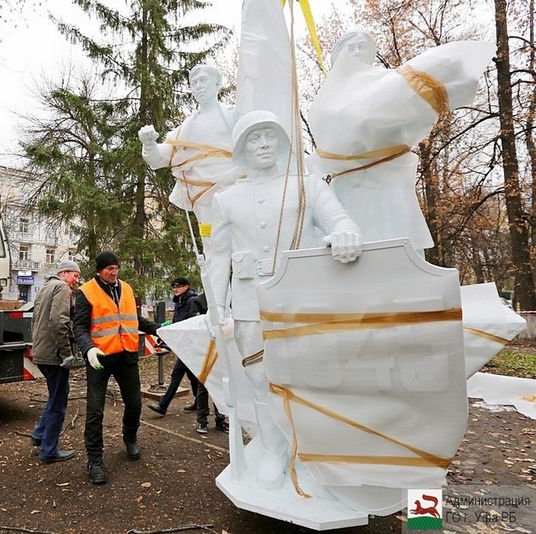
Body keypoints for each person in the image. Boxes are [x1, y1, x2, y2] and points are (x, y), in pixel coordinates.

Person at [208, 110, 362, 488]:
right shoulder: (226, 199)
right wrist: (217, 306)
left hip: (302, 300)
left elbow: (342, 221)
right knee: (261, 379)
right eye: (254, 138)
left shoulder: (309, 186)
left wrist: (344, 234)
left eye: (269, 137)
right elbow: (218, 258)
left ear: (282, 143)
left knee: (308, 379)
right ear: (242, 148)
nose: (263, 145)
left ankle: (313, 450)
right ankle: (275, 448)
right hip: (250, 305)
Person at [308, 32, 494, 253]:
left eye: (362, 47)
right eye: (350, 48)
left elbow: (403, 100)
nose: (357, 52)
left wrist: (447, 66)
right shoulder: (327, 99)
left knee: (401, 250)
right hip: (348, 188)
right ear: (336, 57)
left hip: (389, 181)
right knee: (350, 253)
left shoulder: (390, 83)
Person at [74, 251, 159, 484]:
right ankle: (94, 460)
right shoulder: (86, 292)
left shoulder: (128, 289)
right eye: (109, 268)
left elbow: (134, 319)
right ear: (99, 270)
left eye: (117, 268)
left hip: (127, 355)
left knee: (134, 403)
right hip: (100, 358)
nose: (114, 272)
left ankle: (130, 438)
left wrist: (157, 329)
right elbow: (79, 328)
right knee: (95, 410)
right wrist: (88, 348)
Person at [139, 64, 240, 252]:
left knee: (244, 244)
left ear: (217, 84)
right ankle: (216, 282)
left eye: (203, 81)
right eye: (194, 83)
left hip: (236, 191)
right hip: (204, 200)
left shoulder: (234, 115)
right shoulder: (187, 126)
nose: (198, 86)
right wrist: (150, 144)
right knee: (213, 249)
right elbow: (162, 157)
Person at [29, 260, 82, 463]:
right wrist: (67, 353)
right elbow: (59, 321)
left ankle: (39, 435)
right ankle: (49, 450)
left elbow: (36, 320)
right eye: (75, 276)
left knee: (57, 394)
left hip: (42, 351)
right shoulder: (62, 288)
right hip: (54, 355)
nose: (76, 280)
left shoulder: (45, 288)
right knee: (59, 401)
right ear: (64, 273)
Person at [146, 277, 199, 417]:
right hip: (182, 346)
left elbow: (191, 324)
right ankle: (199, 403)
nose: (175, 289)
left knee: (176, 375)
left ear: (186, 286)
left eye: (179, 286)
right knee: (193, 376)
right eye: (174, 287)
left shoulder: (192, 301)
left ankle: (162, 406)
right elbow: (176, 324)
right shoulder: (178, 302)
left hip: (189, 346)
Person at [185, 292, 227, 435]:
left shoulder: (226, 298)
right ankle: (202, 420)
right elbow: (194, 324)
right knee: (204, 386)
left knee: (221, 386)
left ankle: (220, 419)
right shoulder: (199, 301)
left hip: (223, 349)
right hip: (205, 350)